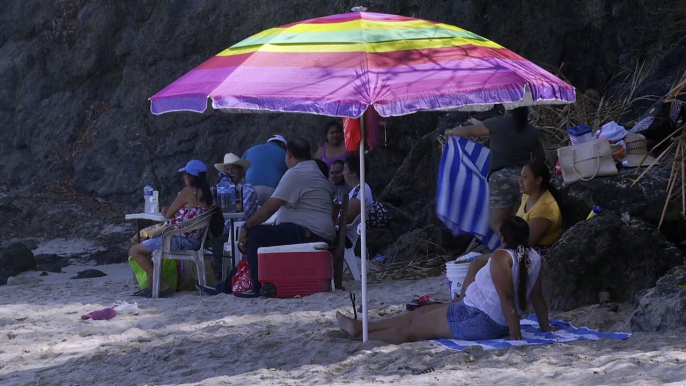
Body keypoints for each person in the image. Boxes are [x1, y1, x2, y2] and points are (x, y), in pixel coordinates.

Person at [336, 216, 556, 344]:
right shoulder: (533, 256)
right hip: (482, 316)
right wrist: (545, 327)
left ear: (504, 237)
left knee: (413, 328)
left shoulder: (502, 258)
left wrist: (516, 335)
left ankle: (365, 338)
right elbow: (537, 297)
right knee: (418, 313)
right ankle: (364, 327)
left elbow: (507, 299)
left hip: (478, 319)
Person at [202, 138, 336, 298]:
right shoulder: (315, 172)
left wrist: (246, 227)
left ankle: (257, 287)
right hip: (314, 232)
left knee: (256, 236)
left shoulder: (296, 173)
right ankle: (224, 286)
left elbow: (270, 208)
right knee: (260, 240)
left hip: (309, 233)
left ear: (289, 155)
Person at [459, 159, 563, 299]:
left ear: (538, 180)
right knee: (478, 263)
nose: (520, 181)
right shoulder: (527, 196)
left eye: (525, 177)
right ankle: (465, 302)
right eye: (520, 176)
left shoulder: (544, 208)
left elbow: (526, 242)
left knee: (477, 264)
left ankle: (463, 304)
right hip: (518, 247)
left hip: (535, 253)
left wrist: (500, 253)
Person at [445, 107, 545, 234]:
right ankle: (523, 245)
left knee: (497, 222)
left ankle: (512, 247)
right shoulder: (530, 130)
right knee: (518, 218)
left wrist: (450, 131)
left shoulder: (497, 123)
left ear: (507, 108)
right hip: (524, 179)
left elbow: (469, 131)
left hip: (500, 178)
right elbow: (540, 157)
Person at [129, 160, 212, 298]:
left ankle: (161, 284)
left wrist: (165, 210)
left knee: (135, 250)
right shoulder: (208, 194)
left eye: (185, 174)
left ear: (189, 176)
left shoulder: (187, 192)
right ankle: (151, 287)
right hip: (196, 241)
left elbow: (168, 215)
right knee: (150, 247)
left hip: (179, 239)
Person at [242, 134, 289, 205]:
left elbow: (240, 167)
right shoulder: (285, 154)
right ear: (282, 144)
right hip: (273, 189)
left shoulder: (251, 150)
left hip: (251, 188)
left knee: (251, 214)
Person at [214, 153, 259, 220]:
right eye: (227, 169)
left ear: (241, 171)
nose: (230, 172)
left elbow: (239, 218)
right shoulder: (220, 190)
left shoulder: (248, 191)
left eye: (233, 169)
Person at [342, 153, 372, 244]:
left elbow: (346, 217)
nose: (343, 173)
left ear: (354, 173)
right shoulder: (358, 189)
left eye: (345, 169)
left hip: (344, 239)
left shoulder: (360, 190)